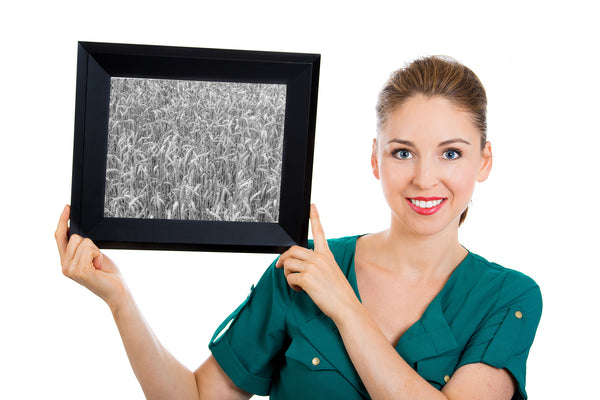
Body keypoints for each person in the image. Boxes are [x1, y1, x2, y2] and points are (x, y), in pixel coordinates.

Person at [55, 55, 542, 400]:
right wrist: (119, 298)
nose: (424, 177)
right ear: (376, 159)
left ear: (485, 160)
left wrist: (346, 309)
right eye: (402, 151)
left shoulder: (507, 298)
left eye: (451, 153)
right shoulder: (303, 270)